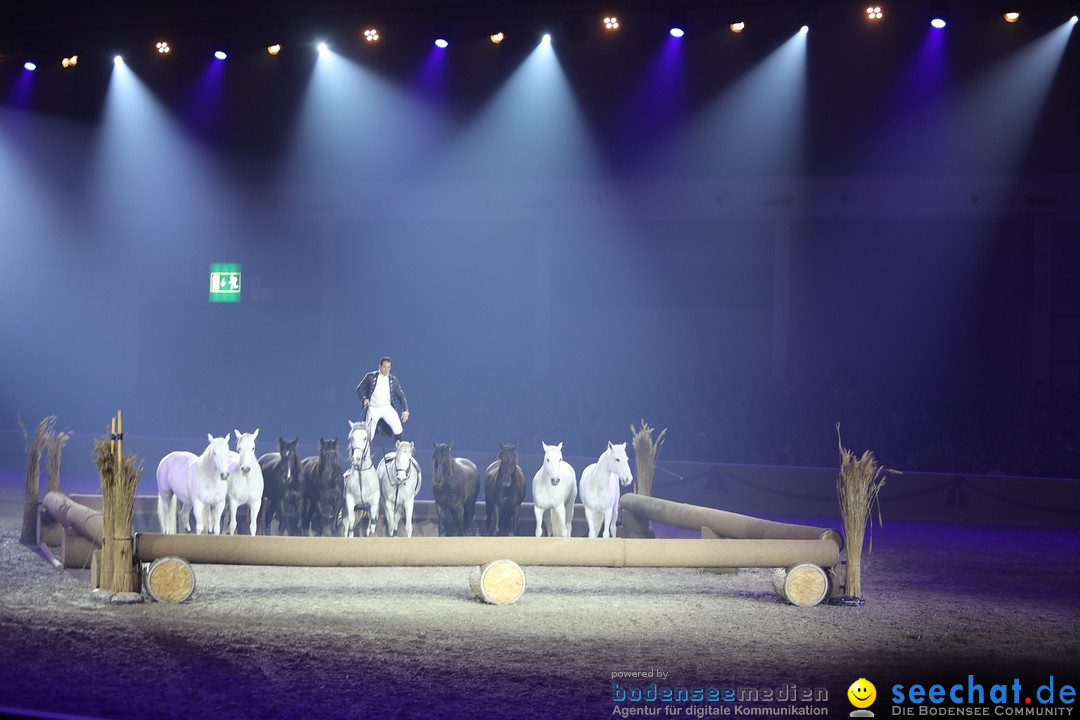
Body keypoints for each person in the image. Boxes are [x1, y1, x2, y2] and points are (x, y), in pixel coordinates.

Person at [356, 356, 410, 443]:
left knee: (398, 429)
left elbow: (401, 395)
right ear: (380, 366)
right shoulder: (370, 376)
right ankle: (365, 455)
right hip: (373, 408)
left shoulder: (393, 380)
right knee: (369, 434)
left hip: (387, 408)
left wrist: (405, 410)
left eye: (388, 367)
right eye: (384, 367)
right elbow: (359, 389)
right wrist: (364, 399)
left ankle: (398, 451)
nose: (386, 369)